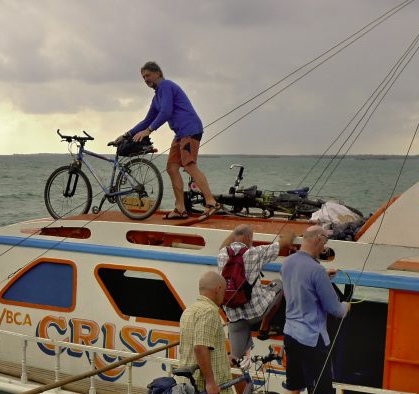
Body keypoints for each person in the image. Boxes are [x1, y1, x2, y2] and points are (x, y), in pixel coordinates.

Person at [280, 225, 350, 394]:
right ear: (319, 241)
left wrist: (323, 276)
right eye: (325, 242)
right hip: (312, 338)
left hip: (290, 333)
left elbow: (303, 285)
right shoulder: (316, 271)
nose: (325, 246)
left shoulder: (288, 263)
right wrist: (346, 307)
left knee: (293, 386)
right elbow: (335, 309)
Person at [117, 61, 220, 221]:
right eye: (143, 77)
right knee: (172, 168)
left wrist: (149, 131)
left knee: (189, 165)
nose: (146, 79)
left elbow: (166, 112)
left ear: (158, 73)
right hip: (179, 134)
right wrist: (126, 135)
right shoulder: (157, 97)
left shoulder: (166, 86)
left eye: (148, 75)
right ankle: (180, 209)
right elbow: (146, 120)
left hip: (190, 129)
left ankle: (211, 202)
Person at [217, 225, 295, 377]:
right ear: (249, 238)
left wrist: (234, 233)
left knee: (235, 360)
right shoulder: (255, 253)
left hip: (234, 317)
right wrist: (291, 233)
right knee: (278, 284)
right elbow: (284, 243)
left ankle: (226, 382)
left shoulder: (221, 254)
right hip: (256, 313)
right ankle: (264, 328)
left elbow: (224, 244)